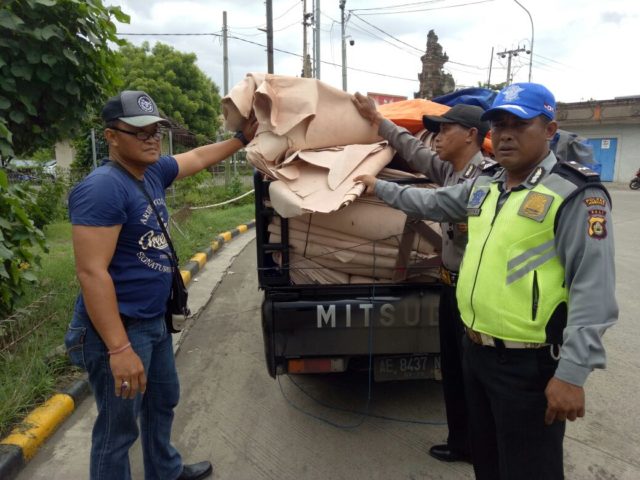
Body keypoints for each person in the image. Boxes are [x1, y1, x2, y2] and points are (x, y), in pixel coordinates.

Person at [355, 82, 617, 479]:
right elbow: (432, 202)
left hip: (528, 366)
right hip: (476, 351)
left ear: (549, 130)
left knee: (529, 470)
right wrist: (379, 187)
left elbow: (593, 290)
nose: (506, 134)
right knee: (489, 465)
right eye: (499, 124)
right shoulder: (487, 183)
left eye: (519, 124)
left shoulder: (575, 194)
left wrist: (572, 374)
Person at [64, 90, 257, 480]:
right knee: (118, 429)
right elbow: (91, 273)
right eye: (139, 131)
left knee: (161, 402)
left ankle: (165, 471)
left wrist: (241, 140)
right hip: (118, 330)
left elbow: (198, 157)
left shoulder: (150, 172)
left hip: (152, 321)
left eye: (155, 130)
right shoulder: (102, 188)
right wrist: (118, 348)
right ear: (111, 137)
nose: (151, 138)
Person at [352, 93, 496, 463]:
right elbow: (414, 150)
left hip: (475, 295)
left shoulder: (483, 179)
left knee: (472, 375)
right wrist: (378, 121)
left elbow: (429, 204)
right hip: (450, 287)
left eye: (445, 130)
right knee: (452, 368)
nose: (438, 137)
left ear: (471, 135)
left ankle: (481, 447)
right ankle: (462, 441)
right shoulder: (451, 170)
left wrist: (378, 186)